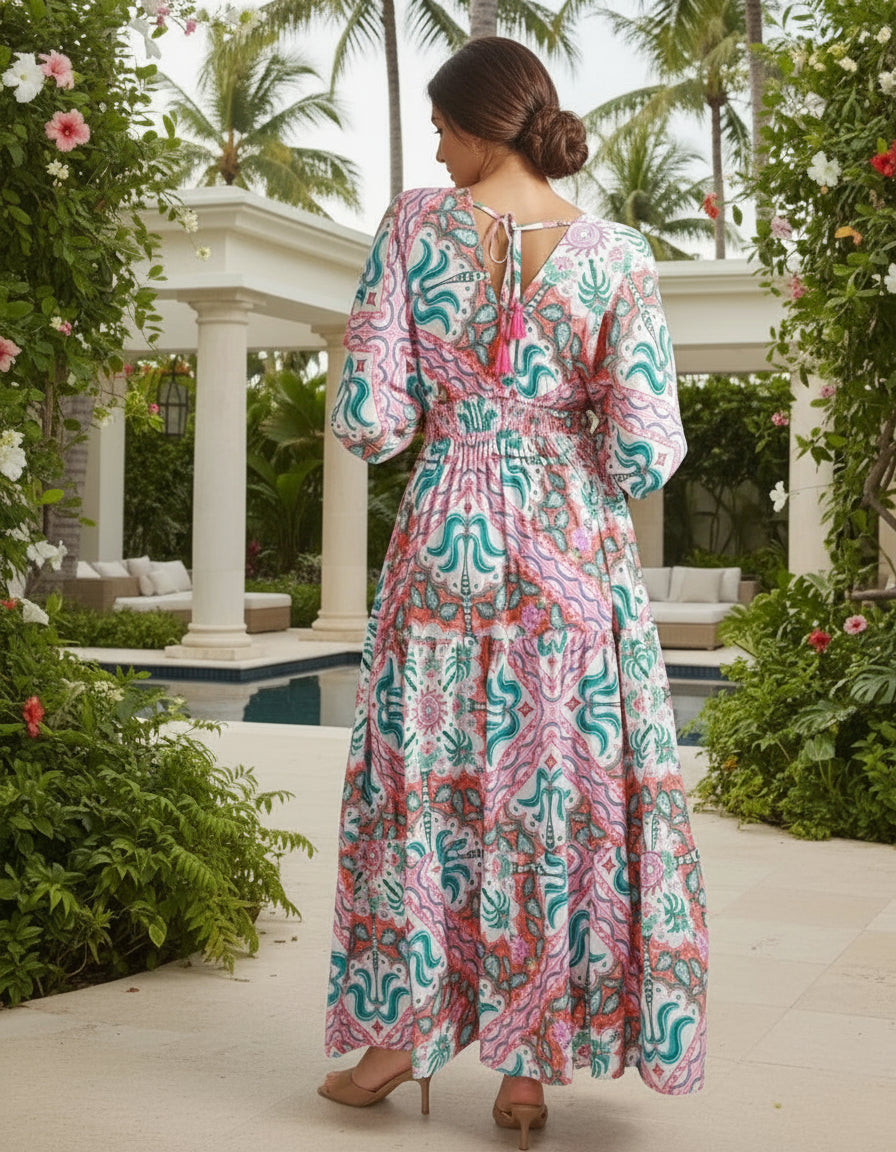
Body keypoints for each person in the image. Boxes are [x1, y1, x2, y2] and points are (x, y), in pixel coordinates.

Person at [317, 35, 708, 1149]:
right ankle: (526, 1072)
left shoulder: (409, 228)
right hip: (573, 563)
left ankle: (401, 1037)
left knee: (429, 785)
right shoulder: (619, 256)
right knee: (555, 794)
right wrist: (558, 437)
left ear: (486, 121)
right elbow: (644, 449)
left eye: (442, 125)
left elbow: (370, 421)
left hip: (447, 548)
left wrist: (443, 407)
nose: (434, 149)